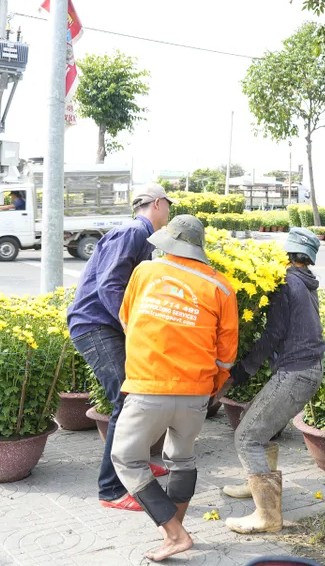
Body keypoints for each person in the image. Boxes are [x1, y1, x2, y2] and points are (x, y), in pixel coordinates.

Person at [110, 214, 239, 562]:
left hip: (149, 386)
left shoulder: (146, 273)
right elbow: (226, 357)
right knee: (181, 459)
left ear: (168, 242)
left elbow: (126, 319)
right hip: (196, 392)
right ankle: (174, 534)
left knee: (125, 457)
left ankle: (176, 533)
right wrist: (210, 389)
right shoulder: (221, 287)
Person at [67, 184, 173, 510]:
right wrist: (132, 325)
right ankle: (112, 490)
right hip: (96, 326)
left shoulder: (140, 234)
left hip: (106, 326)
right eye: (169, 205)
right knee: (126, 399)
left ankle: (133, 464)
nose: (170, 212)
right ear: (157, 203)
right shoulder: (133, 231)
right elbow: (110, 283)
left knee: (139, 396)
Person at [217, 227, 325, 535]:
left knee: (247, 437)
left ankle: (267, 515)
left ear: (286, 254)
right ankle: (257, 484)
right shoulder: (306, 281)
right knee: (255, 420)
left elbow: (271, 336)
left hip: (296, 373)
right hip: (306, 369)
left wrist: (237, 375)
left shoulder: (286, 283)